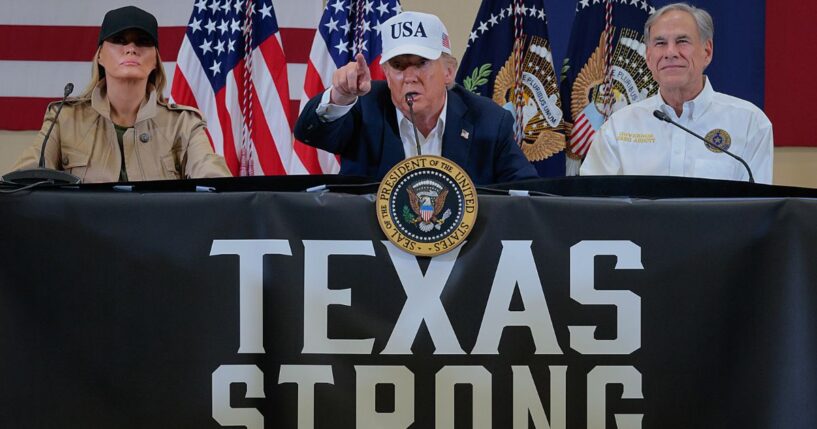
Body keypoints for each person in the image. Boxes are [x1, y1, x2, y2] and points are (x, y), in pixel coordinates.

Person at [294, 11, 538, 185]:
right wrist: (340, 96)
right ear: (387, 75)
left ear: (448, 72)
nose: (409, 77)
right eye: (398, 66)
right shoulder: (364, 107)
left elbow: (526, 194)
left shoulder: (489, 119)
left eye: (421, 64)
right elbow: (310, 133)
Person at [12, 6, 231, 183]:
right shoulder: (64, 119)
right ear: (99, 56)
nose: (131, 48)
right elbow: (22, 184)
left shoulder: (183, 124)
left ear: (155, 60)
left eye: (143, 42)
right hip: (81, 236)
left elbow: (217, 184)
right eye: (119, 40)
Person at [580, 3, 773, 184]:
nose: (670, 52)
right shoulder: (618, 126)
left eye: (682, 41)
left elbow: (757, 211)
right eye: (660, 43)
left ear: (707, 51)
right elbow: (592, 205)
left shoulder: (750, 123)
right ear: (648, 57)